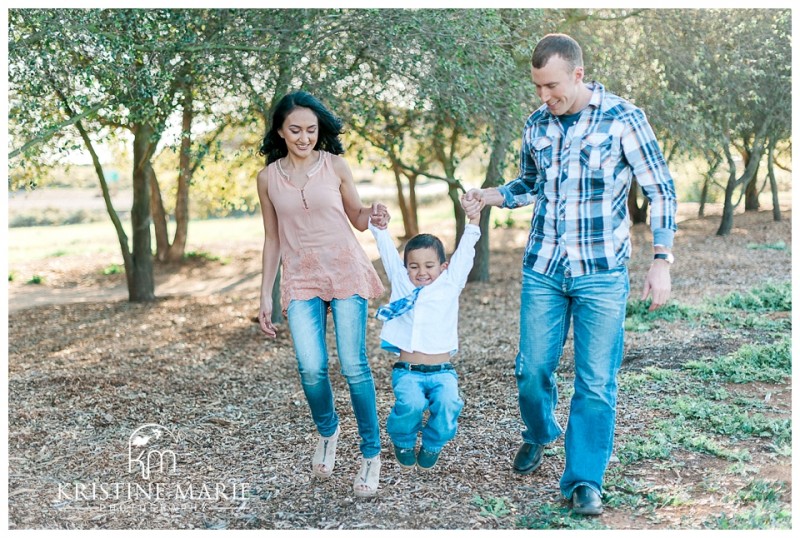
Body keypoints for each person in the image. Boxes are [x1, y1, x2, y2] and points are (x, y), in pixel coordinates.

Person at [462, 33, 677, 516]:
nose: (544, 96)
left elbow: (661, 190)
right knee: (531, 370)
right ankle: (540, 431)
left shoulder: (623, 118)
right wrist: (489, 196)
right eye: (537, 87)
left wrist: (661, 259)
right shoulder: (536, 124)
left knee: (595, 382)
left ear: (578, 75)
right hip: (544, 269)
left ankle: (584, 480)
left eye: (552, 86)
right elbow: (529, 184)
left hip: (601, 272)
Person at [256, 91, 385, 498]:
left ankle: (371, 454)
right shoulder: (268, 178)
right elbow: (272, 238)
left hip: (345, 270)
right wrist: (264, 294)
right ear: (280, 131)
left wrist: (373, 214)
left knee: (353, 365)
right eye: (295, 130)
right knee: (311, 368)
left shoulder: (335, 166)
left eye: (311, 130)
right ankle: (328, 432)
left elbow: (358, 218)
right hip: (300, 277)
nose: (304, 137)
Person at [368, 201, 481, 471]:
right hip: (408, 371)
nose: (421, 272)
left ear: (443, 266)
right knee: (411, 404)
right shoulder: (402, 282)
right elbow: (387, 253)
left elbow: (465, 252)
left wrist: (474, 222)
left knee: (449, 404)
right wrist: (380, 228)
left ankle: (433, 443)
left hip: (443, 371)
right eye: (414, 266)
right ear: (406, 267)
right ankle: (403, 440)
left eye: (429, 265)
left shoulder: (450, 283)